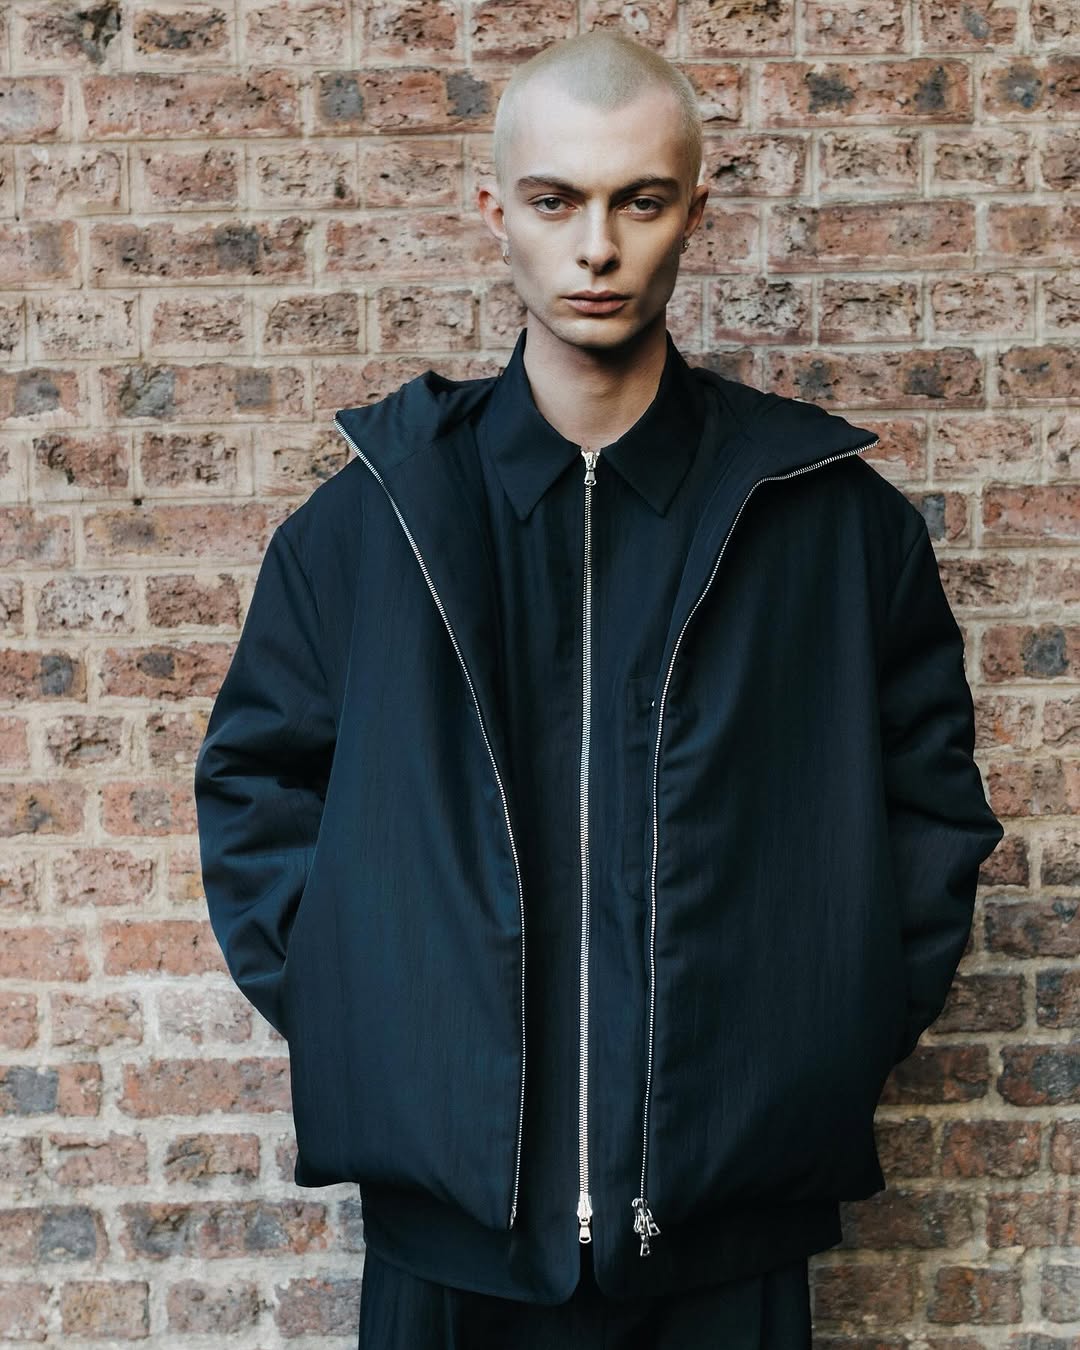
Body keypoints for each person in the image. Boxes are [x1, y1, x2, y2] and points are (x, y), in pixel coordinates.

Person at [192, 29, 1005, 1349]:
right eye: (554, 199)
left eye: (639, 201)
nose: (596, 248)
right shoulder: (366, 530)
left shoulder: (835, 529)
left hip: (727, 1236)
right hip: (450, 1246)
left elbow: (931, 816)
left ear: (695, 208)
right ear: (493, 209)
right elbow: (255, 796)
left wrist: (827, 1021)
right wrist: (378, 1018)